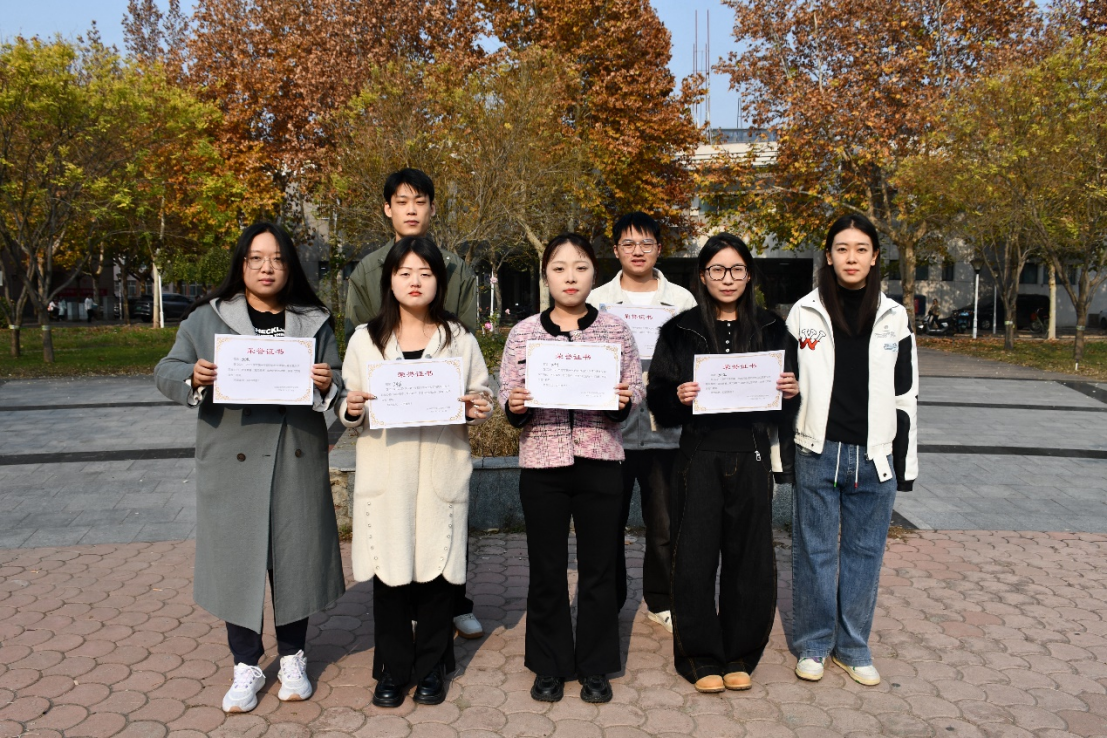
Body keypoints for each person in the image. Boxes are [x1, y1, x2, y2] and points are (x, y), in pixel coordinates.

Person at [154, 221, 345, 713]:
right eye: (256, 258)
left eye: (277, 258)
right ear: (241, 265)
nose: (267, 268)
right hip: (232, 462)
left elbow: (340, 381)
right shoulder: (207, 318)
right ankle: (246, 663)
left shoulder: (314, 322)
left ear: (290, 267)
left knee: (295, 559)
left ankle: (294, 657)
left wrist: (328, 384)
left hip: (295, 457)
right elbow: (166, 370)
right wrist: (194, 375)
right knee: (236, 562)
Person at [340, 236, 492, 708]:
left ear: (438, 282)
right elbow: (350, 402)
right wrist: (352, 408)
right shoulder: (365, 339)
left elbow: (481, 392)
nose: (415, 281)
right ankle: (392, 669)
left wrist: (477, 406)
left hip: (440, 472)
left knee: (437, 577)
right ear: (389, 280)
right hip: (386, 474)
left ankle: (431, 668)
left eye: (425, 273)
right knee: (389, 578)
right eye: (404, 272)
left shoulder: (458, 338)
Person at [646, 233, 798, 694]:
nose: (727, 279)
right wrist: (676, 396)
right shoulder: (680, 330)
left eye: (736, 269)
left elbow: (787, 404)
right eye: (717, 270)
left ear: (749, 275)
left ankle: (740, 653)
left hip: (752, 454)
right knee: (693, 557)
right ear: (703, 275)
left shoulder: (773, 329)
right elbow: (657, 398)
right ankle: (699, 656)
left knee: (748, 558)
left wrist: (790, 393)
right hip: (698, 455)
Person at [498, 233, 644, 704]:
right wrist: (514, 404)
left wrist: (625, 400)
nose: (570, 277)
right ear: (546, 275)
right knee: (547, 568)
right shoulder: (524, 333)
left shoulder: (615, 331)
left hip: (601, 460)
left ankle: (595, 665)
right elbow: (507, 390)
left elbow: (635, 388)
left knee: (600, 568)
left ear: (594, 274)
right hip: (543, 464)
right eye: (559, 268)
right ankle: (549, 664)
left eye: (580, 267)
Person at [344, 167, 484, 639]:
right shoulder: (368, 270)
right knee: (395, 523)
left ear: (432, 208)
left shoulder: (455, 268)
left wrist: (460, 398)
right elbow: (362, 340)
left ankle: (454, 603)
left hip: (439, 417)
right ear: (387, 208)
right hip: (390, 421)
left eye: (419, 201)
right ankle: (401, 612)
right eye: (401, 201)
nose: (410, 210)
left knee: (442, 523)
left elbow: (462, 341)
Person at [787, 214, 918, 687]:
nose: (851, 258)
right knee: (815, 553)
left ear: (875, 256)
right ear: (829, 256)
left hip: (875, 455)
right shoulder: (803, 313)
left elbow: (906, 395)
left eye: (861, 249)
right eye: (842, 248)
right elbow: (788, 387)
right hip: (817, 450)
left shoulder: (894, 316)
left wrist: (905, 463)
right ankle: (814, 644)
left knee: (865, 555)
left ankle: (853, 647)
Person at [586, 212, 696, 632]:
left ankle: (660, 599)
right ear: (615, 250)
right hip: (611, 433)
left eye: (646, 243)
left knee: (664, 523)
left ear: (658, 249)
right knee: (606, 524)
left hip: (665, 433)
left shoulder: (682, 301)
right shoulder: (598, 301)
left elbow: (695, 359)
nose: (637, 251)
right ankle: (609, 601)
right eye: (628, 244)